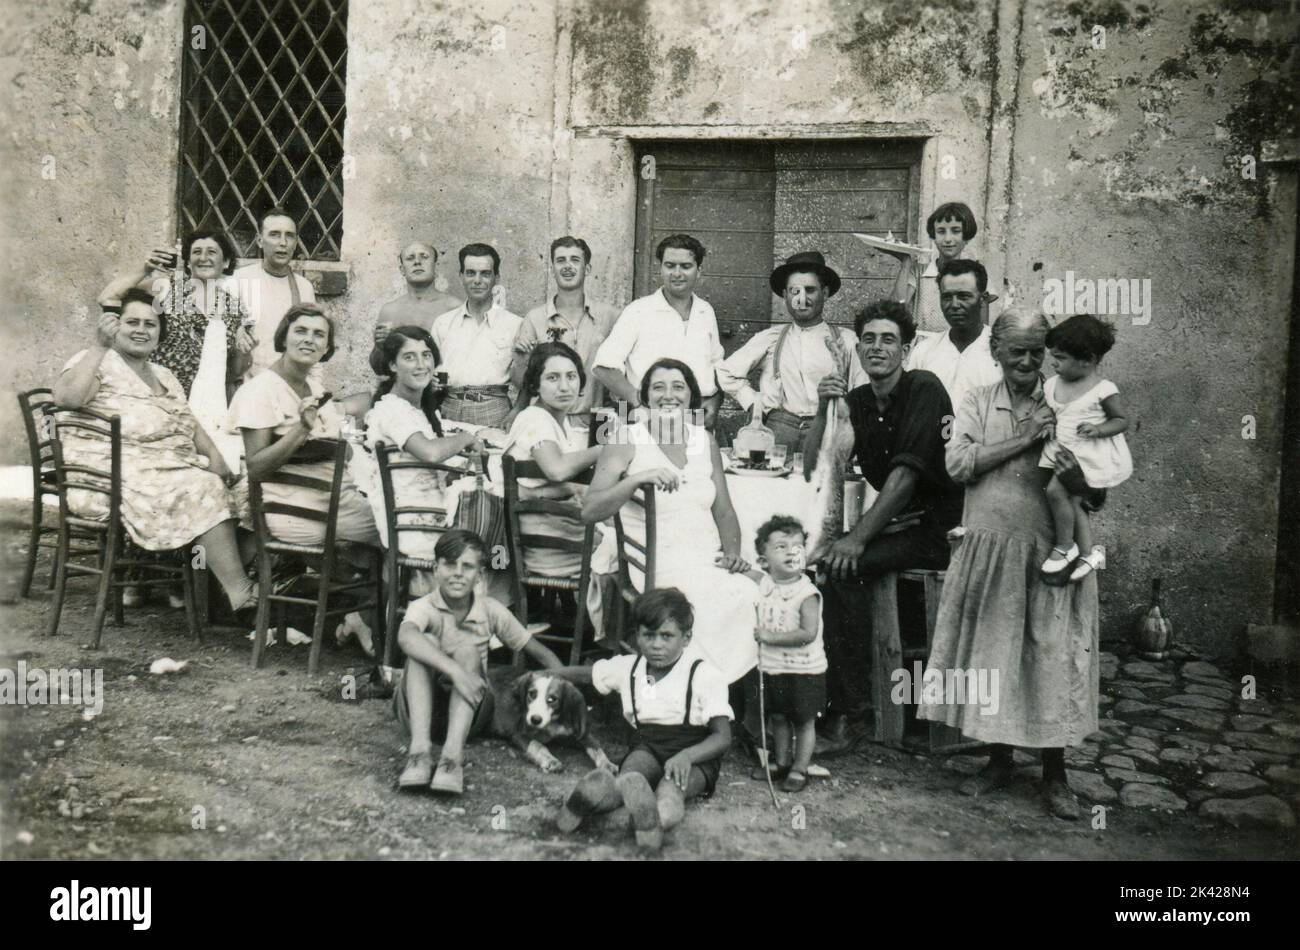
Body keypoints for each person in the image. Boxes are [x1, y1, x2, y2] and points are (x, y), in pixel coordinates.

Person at [917, 307, 1100, 820]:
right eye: (1015, 350)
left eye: (1037, 351)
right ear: (995, 351)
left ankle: (1055, 775)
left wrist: (1082, 478)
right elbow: (958, 465)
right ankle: (997, 764)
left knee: (1050, 658)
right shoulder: (976, 401)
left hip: (1049, 553)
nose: (1027, 360)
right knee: (992, 659)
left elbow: (1099, 486)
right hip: (990, 548)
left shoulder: (1068, 402)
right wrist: (1025, 438)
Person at [808, 300, 963, 751]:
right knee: (814, 564)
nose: (878, 347)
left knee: (842, 571)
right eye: (869, 339)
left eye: (889, 339)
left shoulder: (924, 389)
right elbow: (816, 465)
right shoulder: (857, 400)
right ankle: (824, 700)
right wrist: (824, 409)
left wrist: (856, 540)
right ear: (858, 349)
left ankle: (850, 717)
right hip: (897, 525)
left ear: (906, 349)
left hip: (939, 529)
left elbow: (905, 476)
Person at [53, 289, 258, 616]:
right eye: (131, 321)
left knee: (246, 486)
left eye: (150, 324)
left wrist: (217, 458)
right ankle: (239, 592)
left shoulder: (164, 375)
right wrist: (98, 346)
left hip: (168, 468)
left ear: (160, 332)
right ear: (114, 326)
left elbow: (190, 424)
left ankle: (210, 588)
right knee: (203, 489)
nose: (140, 330)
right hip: (113, 473)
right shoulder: (96, 361)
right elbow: (66, 399)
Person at [583, 358, 758, 683]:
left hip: (707, 558)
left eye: (678, 387)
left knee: (763, 592)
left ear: (691, 396)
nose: (668, 395)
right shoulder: (626, 439)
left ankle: (729, 700)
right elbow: (590, 510)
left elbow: (724, 511)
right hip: (658, 562)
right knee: (708, 604)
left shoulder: (704, 441)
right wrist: (636, 479)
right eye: (658, 387)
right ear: (645, 396)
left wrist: (732, 551)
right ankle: (687, 698)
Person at [553, 588, 732, 851]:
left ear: (686, 638)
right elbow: (587, 674)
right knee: (629, 779)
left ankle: (654, 821)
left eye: (667, 636)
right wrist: (544, 672)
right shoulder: (630, 667)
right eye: (649, 635)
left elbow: (723, 737)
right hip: (648, 746)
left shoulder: (703, 674)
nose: (657, 644)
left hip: (692, 755)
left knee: (671, 790)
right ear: (637, 635)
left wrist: (687, 757)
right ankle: (583, 801)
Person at [394, 530, 564, 795]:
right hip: (416, 711)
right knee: (422, 640)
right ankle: (419, 753)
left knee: (468, 652)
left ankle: (451, 759)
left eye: (468, 566)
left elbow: (539, 653)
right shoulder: (423, 606)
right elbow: (405, 637)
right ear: (435, 569)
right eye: (450, 564)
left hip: (469, 715)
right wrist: (455, 672)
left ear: (480, 575)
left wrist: (564, 693)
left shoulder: (490, 609)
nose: (458, 573)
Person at [227, 303, 380, 548]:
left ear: (327, 348)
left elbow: (346, 452)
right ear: (283, 338)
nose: (309, 340)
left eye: (319, 334)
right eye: (300, 331)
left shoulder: (316, 390)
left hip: (335, 501)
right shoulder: (259, 391)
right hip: (300, 511)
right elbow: (256, 468)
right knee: (399, 528)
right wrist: (301, 430)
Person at [363, 326, 501, 570]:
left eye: (426, 355)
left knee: (500, 529)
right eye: (409, 357)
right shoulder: (391, 410)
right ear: (392, 366)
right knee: (501, 539)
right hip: (417, 527)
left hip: (428, 516)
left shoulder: (417, 412)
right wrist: (466, 438)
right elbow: (430, 452)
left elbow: (422, 468)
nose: (421, 364)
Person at [717, 251, 867, 453]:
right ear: (785, 295)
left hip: (827, 430)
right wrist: (754, 404)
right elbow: (726, 372)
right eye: (794, 291)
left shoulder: (846, 340)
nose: (802, 298)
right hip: (780, 428)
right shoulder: (771, 338)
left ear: (825, 292)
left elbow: (863, 390)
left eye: (810, 290)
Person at [96, 231, 255, 400]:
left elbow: (233, 371)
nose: (203, 258)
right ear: (187, 262)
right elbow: (107, 297)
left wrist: (244, 351)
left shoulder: (233, 307)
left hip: (206, 402)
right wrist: (145, 269)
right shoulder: (168, 287)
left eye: (211, 252)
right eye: (196, 252)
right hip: (160, 393)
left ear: (226, 262)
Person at [592, 234, 725, 429]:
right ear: (660, 268)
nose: (677, 273)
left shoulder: (705, 310)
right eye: (670, 265)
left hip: (696, 418)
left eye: (685, 266)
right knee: (650, 460)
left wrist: (715, 402)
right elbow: (603, 366)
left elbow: (716, 364)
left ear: (699, 271)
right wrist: (639, 402)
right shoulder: (638, 310)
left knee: (697, 459)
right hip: (649, 417)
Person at [1038, 314, 1132, 583]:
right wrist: (1047, 426)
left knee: (1056, 491)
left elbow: (1121, 420)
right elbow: (1052, 414)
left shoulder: (1102, 389)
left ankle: (1066, 546)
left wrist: (1099, 429)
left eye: (1060, 358)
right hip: (1063, 449)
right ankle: (1089, 554)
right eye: (1052, 356)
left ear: (1088, 360)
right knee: (1075, 502)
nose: (1053, 362)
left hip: (1086, 454)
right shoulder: (1053, 384)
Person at [505, 342, 605, 577]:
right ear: (535, 385)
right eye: (552, 378)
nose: (564, 387)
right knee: (628, 549)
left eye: (571, 377)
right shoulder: (535, 419)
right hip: (547, 546)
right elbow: (556, 470)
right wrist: (605, 449)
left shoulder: (557, 420)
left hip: (554, 531)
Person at [743, 515, 825, 793]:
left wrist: (771, 637)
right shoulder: (766, 583)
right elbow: (751, 574)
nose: (791, 552)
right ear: (764, 560)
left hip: (805, 670)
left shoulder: (807, 593)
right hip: (774, 668)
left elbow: (807, 634)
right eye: (781, 547)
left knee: (803, 721)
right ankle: (781, 761)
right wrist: (736, 566)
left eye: (797, 546)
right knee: (777, 717)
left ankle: (800, 768)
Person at [505, 236, 618, 427]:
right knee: (550, 457)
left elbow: (620, 375)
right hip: (547, 419)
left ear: (587, 269)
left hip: (598, 420)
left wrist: (621, 420)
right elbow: (522, 383)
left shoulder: (610, 317)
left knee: (596, 456)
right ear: (552, 269)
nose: (567, 266)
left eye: (575, 260)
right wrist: (521, 361)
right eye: (560, 260)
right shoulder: (535, 318)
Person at [429, 243, 522, 427]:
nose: (477, 280)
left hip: (494, 408)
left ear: (496, 277)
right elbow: (428, 370)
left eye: (485, 273)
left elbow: (528, 379)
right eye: (470, 273)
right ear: (461, 276)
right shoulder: (443, 323)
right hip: (450, 406)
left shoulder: (515, 324)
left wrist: (516, 411)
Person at [232, 207, 318, 379]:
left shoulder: (303, 287)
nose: (283, 242)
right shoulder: (240, 280)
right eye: (274, 234)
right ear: (259, 240)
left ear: (296, 242)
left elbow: (312, 343)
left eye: (289, 235)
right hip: (249, 386)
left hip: (288, 385)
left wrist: (316, 388)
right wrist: (235, 331)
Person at [905, 258, 1002, 410]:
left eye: (964, 296)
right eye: (947, 297)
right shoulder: (924, 351)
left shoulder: (1002, 350)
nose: (954, 305)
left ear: (982, 299)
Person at [881, 200, 981, 333]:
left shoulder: (976, 275)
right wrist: (906, 262)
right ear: (933, 236)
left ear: (966, 237)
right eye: (941, 232)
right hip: (921, 349)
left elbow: (981, 328)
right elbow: (893, 312)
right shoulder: (918, 272)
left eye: (956, 231)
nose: (947, 239)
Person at [368, 241, 462, 375]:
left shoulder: (454, 308)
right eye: (410, 258)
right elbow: (379, 369)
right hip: (403, 392)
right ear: (402, 269)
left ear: (436, 265)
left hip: (441, 392)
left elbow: (464, 361)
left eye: (424, 256)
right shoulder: (390, 311)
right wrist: (380, 347)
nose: (417, 262)